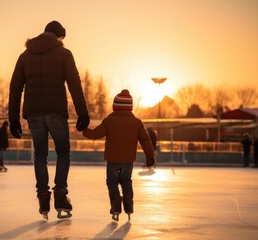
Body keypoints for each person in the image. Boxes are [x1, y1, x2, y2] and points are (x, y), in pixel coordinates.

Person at [8, 21, 89, 220]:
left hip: (34, 113)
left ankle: (43, 196)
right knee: (63, 152)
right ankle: (60, 194)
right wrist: (83, 113)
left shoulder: (25, 56)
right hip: (56, 112)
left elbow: (15, 88)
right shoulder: (64, 54)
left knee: (40, 155)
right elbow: (74, 85)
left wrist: (13, 118)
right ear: (59, 37)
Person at [82, 89, 155, 221]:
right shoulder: (137, 123)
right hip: (128, 161)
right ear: (130, 107)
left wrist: (84, 129)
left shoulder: (109, 121)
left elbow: (94, 134)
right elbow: (145, 140)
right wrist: (150, 156)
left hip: (113, 160)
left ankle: (116, 205)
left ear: (115, 106)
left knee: (112, 182)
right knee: (126, 181)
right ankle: (128, 203)